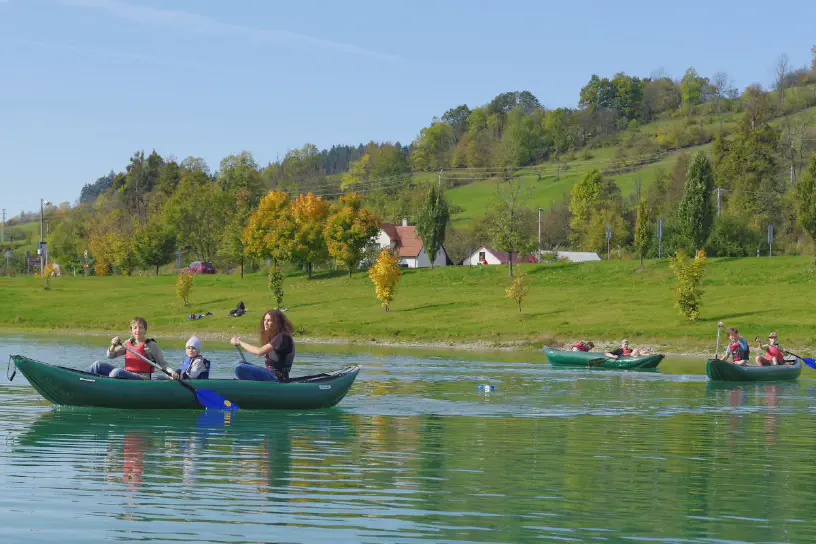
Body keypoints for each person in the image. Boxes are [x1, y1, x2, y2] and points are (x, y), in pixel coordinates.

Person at [87, 317, 179, 380]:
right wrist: (113, 345)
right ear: (131, 331)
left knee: (116, 372)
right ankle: (86, 383)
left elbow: (163, 364)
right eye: (135, 328)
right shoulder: (128, 343)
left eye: (141, 328)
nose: (138, 330)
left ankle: (108, 390)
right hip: (127, 374)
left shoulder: (151, 345)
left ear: (145, 330)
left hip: (142, 378)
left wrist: (172, 373)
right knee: (97, 365)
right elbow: (110, 356)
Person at [231, 309, 295, 382]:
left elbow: (259, 352)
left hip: (278, 378)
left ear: (277, 323)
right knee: (239, 362)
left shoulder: (282, 336)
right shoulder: (276, 336)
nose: (265, 323)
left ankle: (254, 385)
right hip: (271, 374)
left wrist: (239, 342)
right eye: (265, 320)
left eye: (269, 320)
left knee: (240, 367)